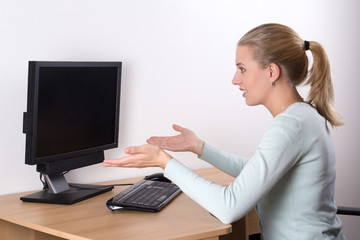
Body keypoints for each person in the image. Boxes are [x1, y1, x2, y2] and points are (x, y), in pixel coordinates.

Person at [103, 23, 346, 239]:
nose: (234, 79)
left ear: (271, 72)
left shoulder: (291, 125)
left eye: (242, 69)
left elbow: (228, 207)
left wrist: (163, 161)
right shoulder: (304, 115)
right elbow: (257, 172)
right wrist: (200, 148)